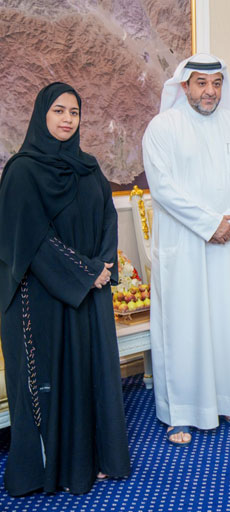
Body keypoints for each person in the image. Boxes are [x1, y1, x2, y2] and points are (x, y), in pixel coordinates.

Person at [0, 82, 130, 495]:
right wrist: (86, 272)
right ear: (42, 115)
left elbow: (108, 217)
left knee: (90, 374)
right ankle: (52, 470)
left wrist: (102, 266)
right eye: (58, 110)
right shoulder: (22, 171)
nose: (67, 119)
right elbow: (33, 240)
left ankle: (93, 461)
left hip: (89, 289)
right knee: (54, 380)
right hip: (42, 297)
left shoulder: (88, 167)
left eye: (74, 112)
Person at [142, 54, 230, 445]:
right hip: (185, 243)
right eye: (201, 83)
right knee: (185, 324)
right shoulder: (163, 127)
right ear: (185, 86)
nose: (210, 91)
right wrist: (210, 224)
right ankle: (182, 412)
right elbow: (163, 187)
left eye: (216, 83)